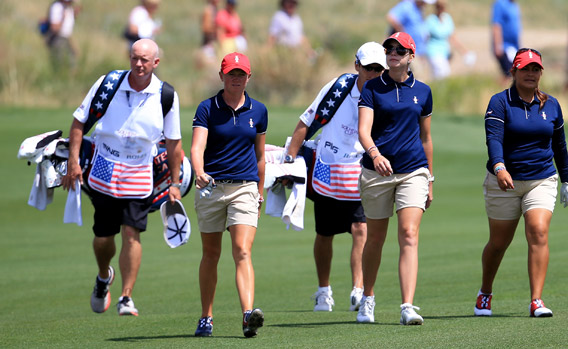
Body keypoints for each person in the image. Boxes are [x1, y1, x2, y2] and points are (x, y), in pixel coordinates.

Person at [60, 39, 183, 316]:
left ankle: (126, 297)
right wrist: (73, 161)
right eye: (134, 58)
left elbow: (174, 144)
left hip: (140, 171)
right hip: (105, 165)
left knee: (132, 233)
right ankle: (104, 276)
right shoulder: (109, 83)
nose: (138, 64)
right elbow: (79, 122)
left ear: (156, 63)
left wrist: (175, 184)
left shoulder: (166, 95)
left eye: (144, 60)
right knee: (103, 237)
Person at [283, 42, 387, 312]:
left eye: (378, 69)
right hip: (328, 169)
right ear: (357, 66)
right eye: (368, 68)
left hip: (362, 171)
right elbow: (306, 122)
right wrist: (288, 163)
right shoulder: (339, 88)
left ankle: (358, 288)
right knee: (325, 233)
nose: (373, 74)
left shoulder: (387, 95)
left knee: (361, 229)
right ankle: (323, 290)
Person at [475, 48, 568, 318]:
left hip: (541, 179)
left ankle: (536, 301)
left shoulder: (551, 105)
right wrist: (499, 167)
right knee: (498, 243)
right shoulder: (499, 102)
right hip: (503, 181)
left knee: (538, 231)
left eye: (535, 69)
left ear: (541, 73)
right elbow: (493, 138)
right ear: (514, 72)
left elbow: (559, 145)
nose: (531, 74)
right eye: (525, 69)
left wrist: (566, 179)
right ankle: (485, 292)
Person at [356, 32, 434, 326]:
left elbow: (426, 138)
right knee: (375, 238)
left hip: (413, 170)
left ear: (411, 56)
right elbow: (364, 130)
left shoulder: (423, 91)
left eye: (400, 50)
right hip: (376, 171)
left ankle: (407, 306)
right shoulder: (373, 88)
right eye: (389, 48)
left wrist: (430, 178)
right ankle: (368, 298)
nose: (393, 53)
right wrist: (375, 155)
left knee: (409, 235)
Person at [191, 52, 267, 338]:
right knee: (211, 253)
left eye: (241, 74)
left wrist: (260, 193)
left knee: (242, 250)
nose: (236, 78)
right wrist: (198, 170)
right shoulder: (207, 108)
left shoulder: (258, 111)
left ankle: (248, 316)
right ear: (221, 76)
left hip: (245, 188)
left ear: (249, 77)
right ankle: (206, 317)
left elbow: (260, 155)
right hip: (210, 187)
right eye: (231, 73)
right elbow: (197, 147)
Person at [424, 0, 474, 80]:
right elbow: (425, 38)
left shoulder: (447, 18)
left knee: (440, 77)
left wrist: (464, 51)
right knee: (442, 74)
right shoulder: (431, 20)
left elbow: (452, 37)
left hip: (445, 53)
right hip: (434, 52)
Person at [387, 0, 431, 80]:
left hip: (419, 51)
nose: (425, 4)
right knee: (417, 78)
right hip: (408, 51)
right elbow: (391, 17)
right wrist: (403, 35)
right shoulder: (406, 6)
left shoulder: (420, 10)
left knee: (418, 79)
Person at [491, 0, 521, 83]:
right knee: (509, 75)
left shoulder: (514, 5)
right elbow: (496, 25)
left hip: (514, 47)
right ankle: (498, 92)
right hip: (505, 47)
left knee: (515, 74)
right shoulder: (500, 4)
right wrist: (498, 46)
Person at [45, 0, 78, 72]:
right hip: (58, 39)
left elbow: (67, 31)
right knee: (61, 65)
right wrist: (62, 18)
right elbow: (55, 28)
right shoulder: (57, 7)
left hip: (65, 39)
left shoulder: (68, 8)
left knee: (71, 63)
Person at [200, 0, 219, 64]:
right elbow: (206, 28)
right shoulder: (208, 10)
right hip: (209, 42)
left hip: (213, 41)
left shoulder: (214, 9)